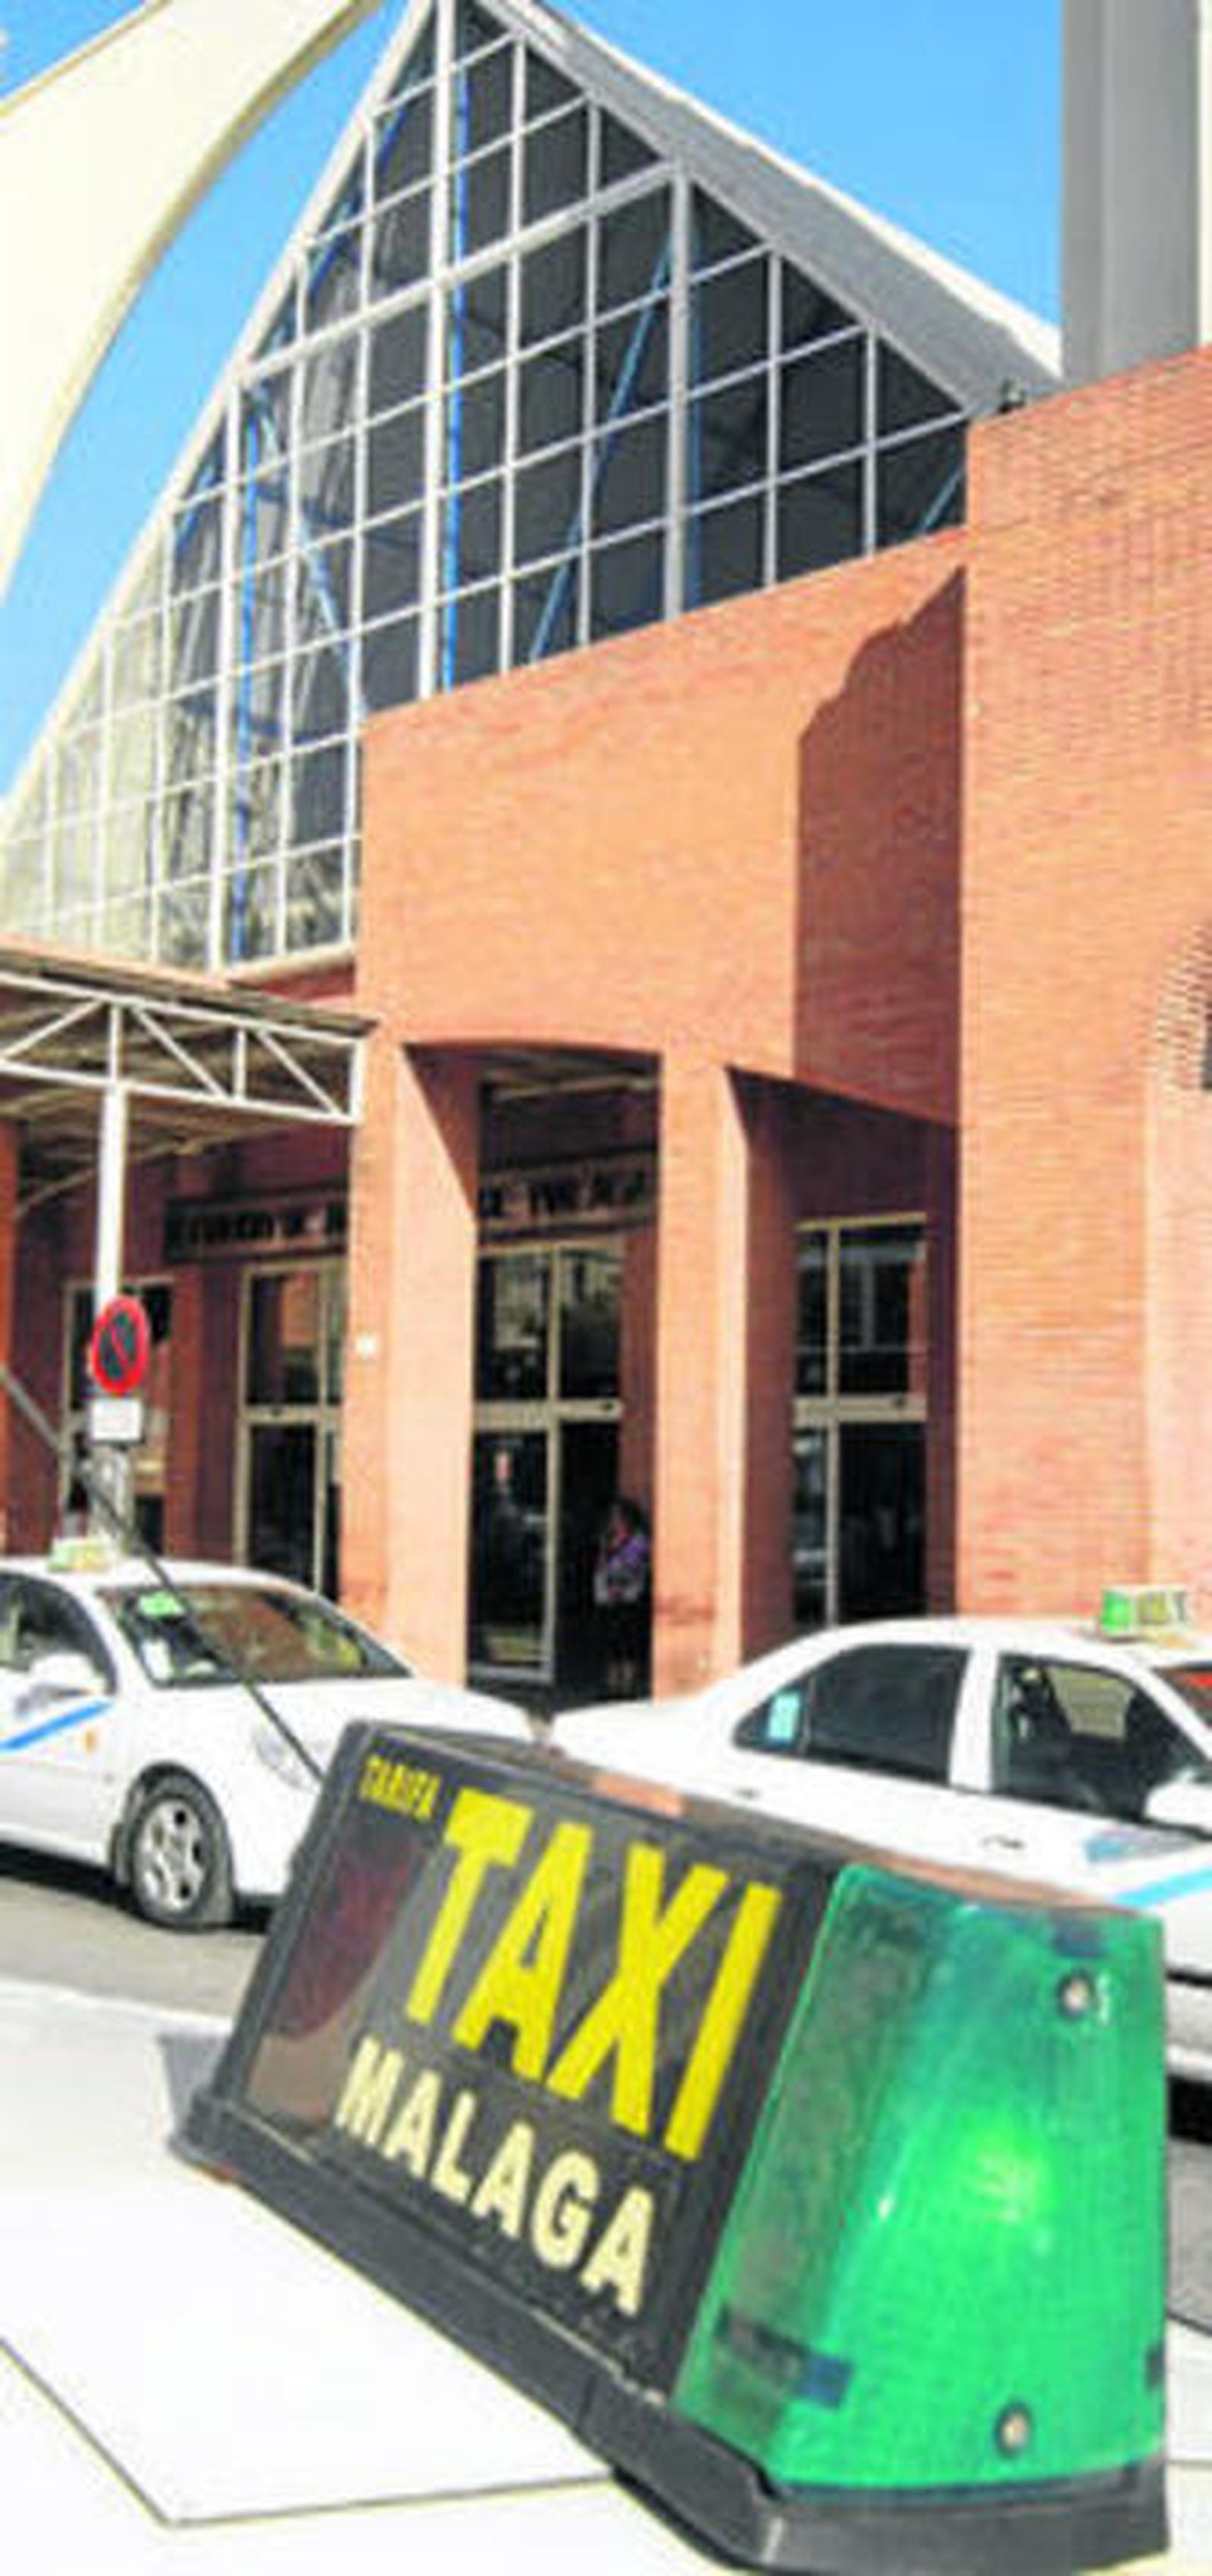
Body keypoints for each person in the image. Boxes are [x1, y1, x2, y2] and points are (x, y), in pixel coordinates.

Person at [592, 1495, 651, 1696]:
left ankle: (627, 1687)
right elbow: (600, 1565)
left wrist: (620, 1584)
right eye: (612, 1516)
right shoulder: (607, 1538)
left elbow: (636, 1566)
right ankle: (612, 1685)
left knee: (628, 1643)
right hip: (608, 1597)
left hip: (629, 1597)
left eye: (618, 1515)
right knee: (611, 1643)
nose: (614, 1519)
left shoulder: (638, 1540)